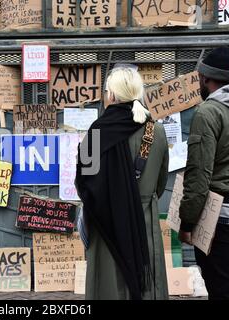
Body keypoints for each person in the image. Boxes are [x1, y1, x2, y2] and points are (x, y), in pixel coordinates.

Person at [75, 66, 169, 300]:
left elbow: (83, 183)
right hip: (144, 222)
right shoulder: (155, 130)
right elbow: (161, 181)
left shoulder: (96, 132)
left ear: (112, 96)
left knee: (110, 286)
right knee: (147, 286)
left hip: (107, 225)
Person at [178, 46, 229, 300]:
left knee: (221, 285)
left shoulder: (208, 112)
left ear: (205, 78)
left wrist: (187, 222)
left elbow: (199, 172)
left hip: (215, 213)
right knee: (223, 277)